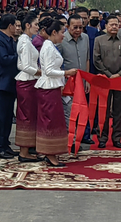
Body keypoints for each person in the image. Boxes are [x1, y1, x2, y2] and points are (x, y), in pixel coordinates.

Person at [36, 20, 79, 167]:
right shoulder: (48, 47)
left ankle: (52, 152)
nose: (63, 35)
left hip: (53, 86)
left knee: (54, 120)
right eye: (62, 32)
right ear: (54, 32)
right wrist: (66, 72)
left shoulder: (50, 46)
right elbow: (48, 70)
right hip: (48, 87)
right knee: (50, 121)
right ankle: (49, 153)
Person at [93, 15, 121, 148]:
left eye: (116, 24)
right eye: (112, 24)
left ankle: (117, 138)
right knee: (103, 109)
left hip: (120, 80)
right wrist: (109, 74)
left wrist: (119, 74)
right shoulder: (99, 40)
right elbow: (96, 60)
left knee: (119, 110)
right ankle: (102, 138)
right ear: (106, 26)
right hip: (104, 79)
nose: (114, 27)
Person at [0, 14, 19, 159]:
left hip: (9, 84)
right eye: (16, 25)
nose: (17, 28)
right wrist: (21, 57)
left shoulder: (11, 40)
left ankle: (5, 145)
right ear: (10, 26)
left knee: (7, 117)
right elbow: (4, 59)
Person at [16, 15, 42, 162]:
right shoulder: (25, 42)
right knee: (26, 116)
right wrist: (41, 72)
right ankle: (24, 151)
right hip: (27, 81)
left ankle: (26, 148)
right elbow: (25, 66)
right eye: (35, 24)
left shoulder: (26, 41)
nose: (37, 27)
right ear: (27, 25)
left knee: (29, 115)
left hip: (29, 80)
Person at [59, 14, 90, 136]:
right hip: (68, 84)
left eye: (80, 27)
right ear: (67, 27)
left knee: (81, 111)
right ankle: (69, 139)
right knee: (68, 112)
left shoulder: (85, 38)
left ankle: (78, 137)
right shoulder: (61, 40)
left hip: (82, 82)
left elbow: (87, 59)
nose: (78, 30)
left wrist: (87, 80)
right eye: (75, 27)